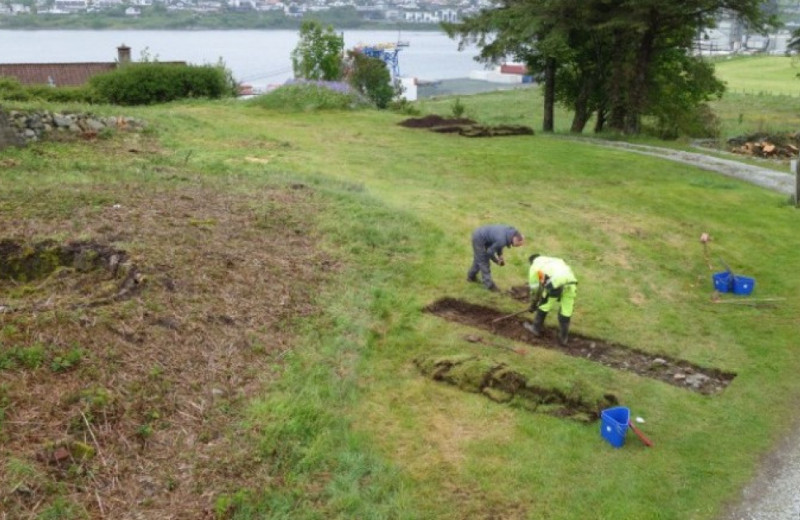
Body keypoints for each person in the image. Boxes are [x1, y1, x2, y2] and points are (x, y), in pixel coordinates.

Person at [523, 254, 577, 345]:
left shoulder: (535, 266)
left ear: (531, 262)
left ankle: (535, 328)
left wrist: (534, 304)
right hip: (571, 283)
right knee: (566, 311)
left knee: (544, 305)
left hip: (556, 282)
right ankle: (563, 338)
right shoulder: (554, 260)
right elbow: (543, 282)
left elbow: (535, 288)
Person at [466, 225, 524, 291]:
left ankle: (471, 277)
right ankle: (489, 285)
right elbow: (489, 252)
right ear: (515, 239)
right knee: (484, 261)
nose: (517, 247)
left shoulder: (510, 233)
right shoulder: (502, 239)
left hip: (486, 237)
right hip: (479, 238)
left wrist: (500, 255)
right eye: (518, 245)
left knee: (479, 259)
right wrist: (496, 261)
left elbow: (498, 244)